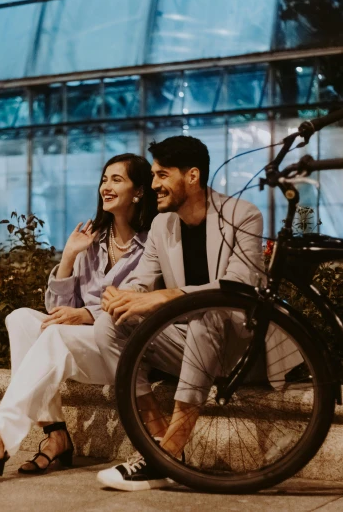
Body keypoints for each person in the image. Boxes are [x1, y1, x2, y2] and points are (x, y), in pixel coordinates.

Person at [0, 153, 157, 475]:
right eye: (104, 179)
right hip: (80, 343)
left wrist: (87, 315)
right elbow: (56, 309)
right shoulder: (92, 242)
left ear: (138, 192)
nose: (106, 187)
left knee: (54, 333)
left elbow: (138, 299)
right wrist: (68, 257)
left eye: (116, 180)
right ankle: (56, 434)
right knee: (20, 318)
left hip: (120, 346)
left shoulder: (151, 244)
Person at [93, 135, 279, 491]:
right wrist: (123, 296)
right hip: (192, 344)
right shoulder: (163, 225)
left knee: (204, 312)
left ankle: (163, 458)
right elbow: (143, 281)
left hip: (241, 349)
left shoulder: (242, 215)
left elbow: (241, 286)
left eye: (162, 175)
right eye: (152, 176)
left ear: (192, 176)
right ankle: (159, 447)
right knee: (108, 326)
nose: (153, 185)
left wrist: (170, 296)